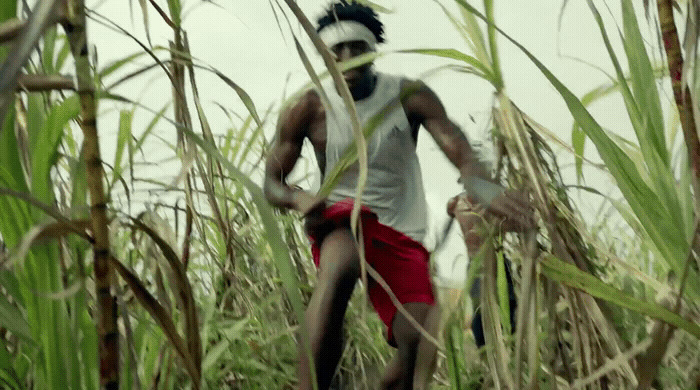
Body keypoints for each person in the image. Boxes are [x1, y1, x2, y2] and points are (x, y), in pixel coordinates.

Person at [263, 2, 532, 389]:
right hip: (343, 217)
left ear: (374, 50)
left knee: (419, 345)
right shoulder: (309, 107)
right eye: (335, 51)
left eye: (358, 48)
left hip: (401, 230)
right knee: (338, 267)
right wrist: (298, 198)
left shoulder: (407, 96)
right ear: (323, 56)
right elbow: (271, 182)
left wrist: (487, 189)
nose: (347, 59)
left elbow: (461, 153)